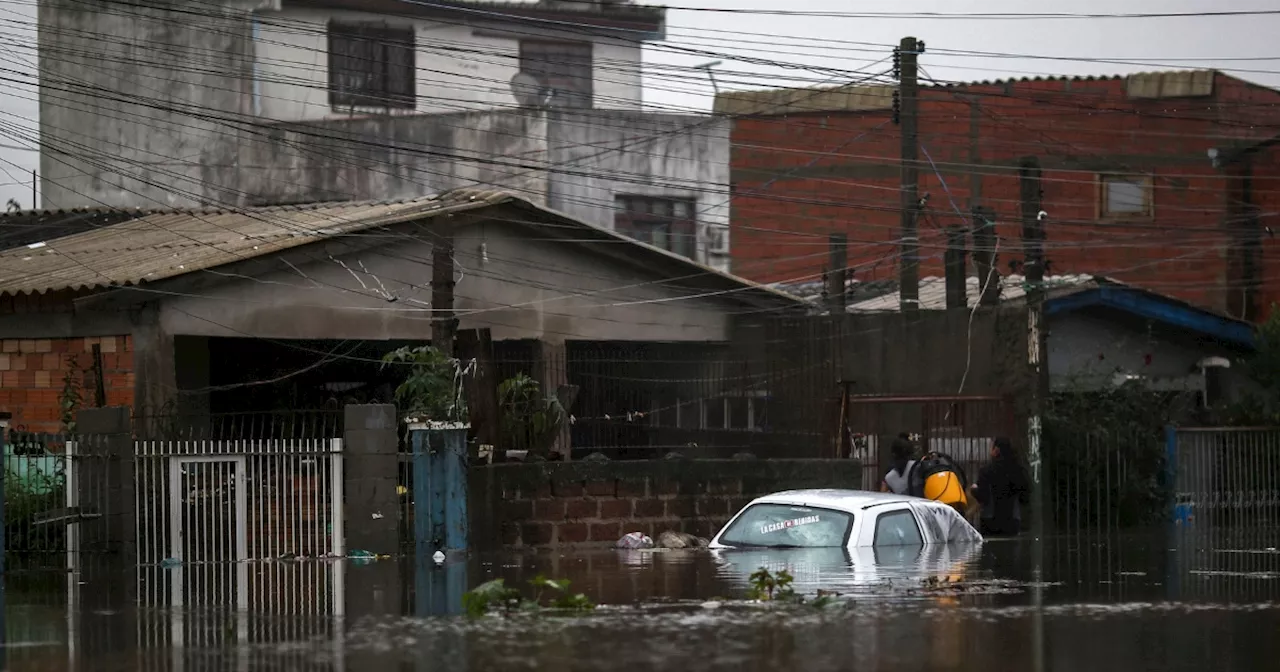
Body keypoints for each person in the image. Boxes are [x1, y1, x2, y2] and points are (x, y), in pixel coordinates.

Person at [969, 437, 1030, 536]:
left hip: (990, 521)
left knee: (991, 549)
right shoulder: (1018, 470)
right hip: (1012, 521)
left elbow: (984, 497)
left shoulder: (987, 470)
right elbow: (1025, 496)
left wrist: (974, 490)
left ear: (996, 450)